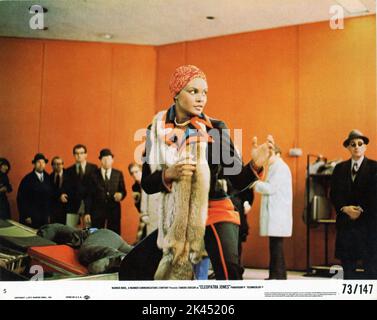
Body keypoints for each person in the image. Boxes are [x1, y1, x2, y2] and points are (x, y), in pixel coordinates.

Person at [141, 65, 273, 280]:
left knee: (229, 271)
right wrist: (168, 174)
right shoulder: (154, 130)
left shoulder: (216, 128)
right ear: (176, 93)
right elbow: (147, 183)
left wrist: (255, 164)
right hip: (176, 215)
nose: (201, 98)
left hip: (216, 208)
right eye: (193, 91)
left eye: (204, 92)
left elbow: (239, 180)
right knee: (138, 270)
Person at [330, 130, 377, 279]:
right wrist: (345, 208)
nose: (356, 147)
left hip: (368, 225)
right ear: (348, 148)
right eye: (353, 144)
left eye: (360, 144)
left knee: (371, 268)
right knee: (348, 268)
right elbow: (334, 193)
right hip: (346, 225)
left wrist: (360, 210)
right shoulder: (339, 169)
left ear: (365, 147)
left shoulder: (375, 167)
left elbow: (374, 194)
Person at [253, 145, 293, 279]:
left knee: (276, 246)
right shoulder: (275, 167)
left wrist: (254, 184)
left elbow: (271, 188)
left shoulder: (280, 168)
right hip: (276, 213)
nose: (268, 157)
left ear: (278, 154)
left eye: (270, 154)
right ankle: (276, 274)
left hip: (277, 214)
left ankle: (278, 276)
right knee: (275, 245)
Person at [86, 149, 126, 235]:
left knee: (114, 235)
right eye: (104, 159)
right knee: (95, 234)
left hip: (114, 210)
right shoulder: (93, 175)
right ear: (100, 160)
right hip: (97, 211)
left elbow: (123, 191)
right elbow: (89, 195)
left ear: (112, 160)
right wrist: (87, 213)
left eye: (109, 158)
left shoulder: (118, 174)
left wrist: (121, 194)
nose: (107, 161)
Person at [60, 144, 97, 227]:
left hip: (90, 207)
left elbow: (96, 187)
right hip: (72, 204)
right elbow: (64, 186)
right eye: (76, 153)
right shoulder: (68, 170)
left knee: (89, 233)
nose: (79, 155)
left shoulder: (94, 168)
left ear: (86, 155)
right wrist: (62, 194)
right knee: (70, 232)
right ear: (74, 155)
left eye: (81, 153)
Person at [17, 153, 53, 228]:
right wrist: (26, 215)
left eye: (43, 162)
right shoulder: (27, 179)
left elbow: (51, 197)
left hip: (44, 217)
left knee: (43, 236)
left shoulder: (48, 178)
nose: (41, 164)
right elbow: (21, 198)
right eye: (38, 162)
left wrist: (49, 215)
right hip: (31, 216)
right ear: (34, 164)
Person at [128, 162, 148, 241]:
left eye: (136, 172)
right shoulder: (135, 187)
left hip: (155, 213)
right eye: (132, 173)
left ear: (141, 171)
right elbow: (137, 204)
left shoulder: (149, 182)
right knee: (141, 237)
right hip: (143, 214)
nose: (134, 175)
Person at [49, 156, 67, 224]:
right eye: (55, 164)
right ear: (52, 166)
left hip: (66, 210)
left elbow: (74, 190)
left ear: (62, 165)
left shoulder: (70, 175)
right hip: (54, 210)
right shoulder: (49, 177)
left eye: (59, 164)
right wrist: (59, 196)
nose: (57, 166)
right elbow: (50, 192)